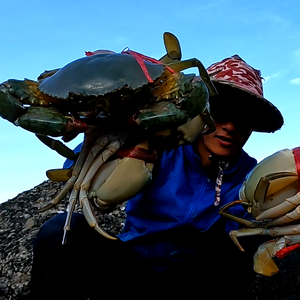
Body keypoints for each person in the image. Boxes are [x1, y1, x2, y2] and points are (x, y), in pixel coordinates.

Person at [28, 55, 283, 300]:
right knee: (60, 231)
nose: (230, 126)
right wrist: (114, 126)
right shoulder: (158, 142)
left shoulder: (254, 175)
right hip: (130, 267)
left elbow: (248, 239)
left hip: (194, 282)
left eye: (245, 117)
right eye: (221, 110)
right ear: (199, 108)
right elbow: (75, 164)